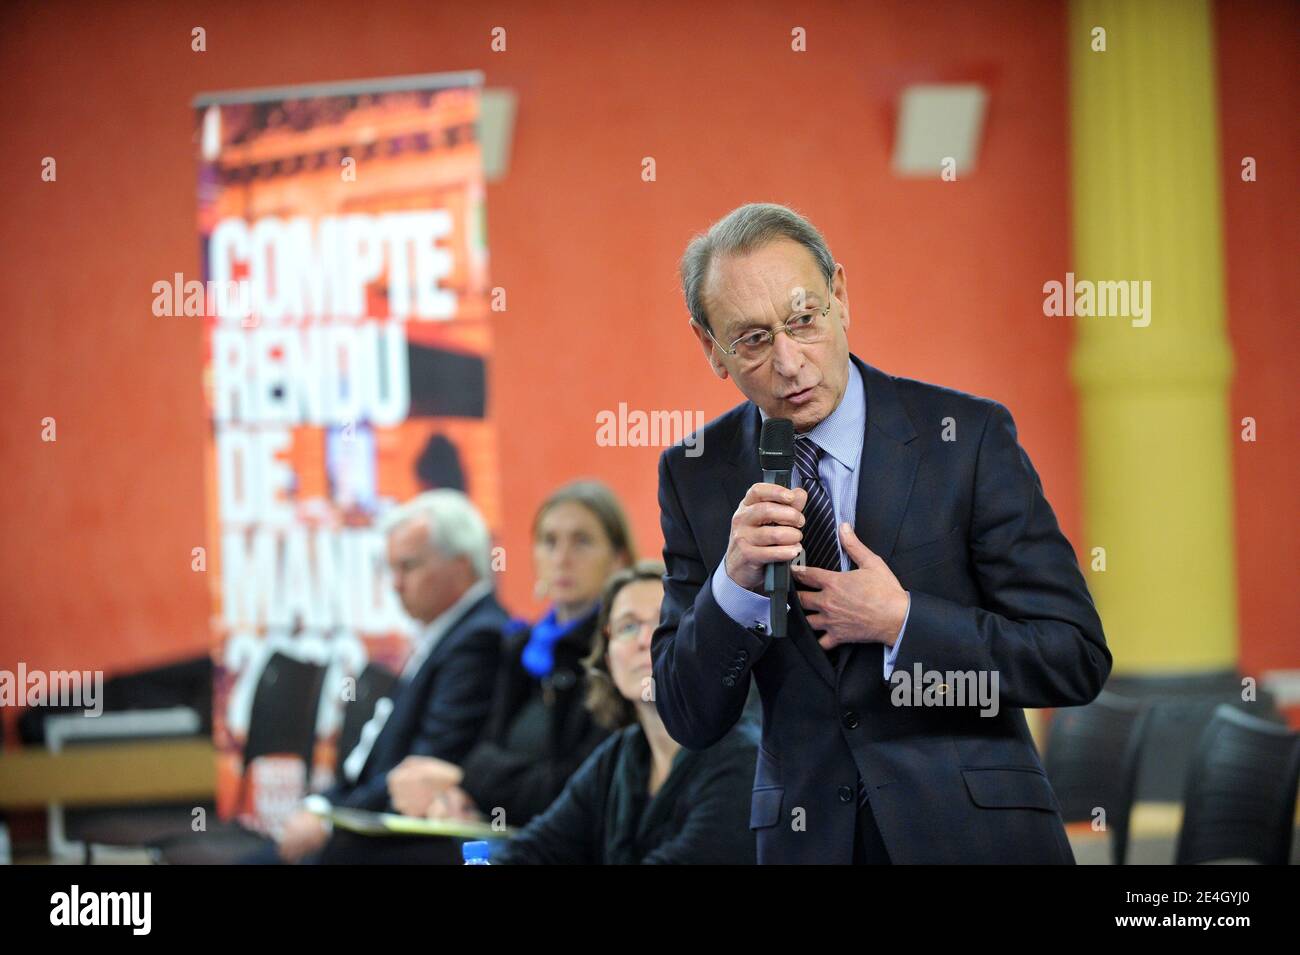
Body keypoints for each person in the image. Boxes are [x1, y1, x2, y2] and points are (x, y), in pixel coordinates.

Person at [651, 203, 1112, 864]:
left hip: (976, 837)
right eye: (752, 339)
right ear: (710, 347)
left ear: (840, 295)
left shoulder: (966, 438)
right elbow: (688, 715)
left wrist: (904, 623)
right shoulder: (694, 474)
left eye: (804, 319)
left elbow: (1075, 656)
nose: (789, 361)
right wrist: (732, 586)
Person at [256, 489, 507, 864]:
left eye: (408, 567)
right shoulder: (448, 634)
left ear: (461, 566)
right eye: (392, 569)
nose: (395, 584)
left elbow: (422, 770)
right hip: (367, 820)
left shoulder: (479, 640)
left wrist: (328, 821)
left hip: (394, 836)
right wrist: (324, 806)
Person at [387, 480, 634, 832]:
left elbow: (577, 788)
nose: (562, 558)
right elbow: (483, 752)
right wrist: (466, 798)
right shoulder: (520, 647)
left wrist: (467, 780)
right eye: (549, 542)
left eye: (582, 541)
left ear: (618, 558)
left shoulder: (622, 653)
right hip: (508, 832)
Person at [482, 561, 757, 864]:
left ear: (698, 643)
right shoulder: (617, 756)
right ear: (608, 658)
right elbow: (537, 849)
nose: (643, 641)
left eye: (661, 621)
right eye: (627, 626)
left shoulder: (742, 756)